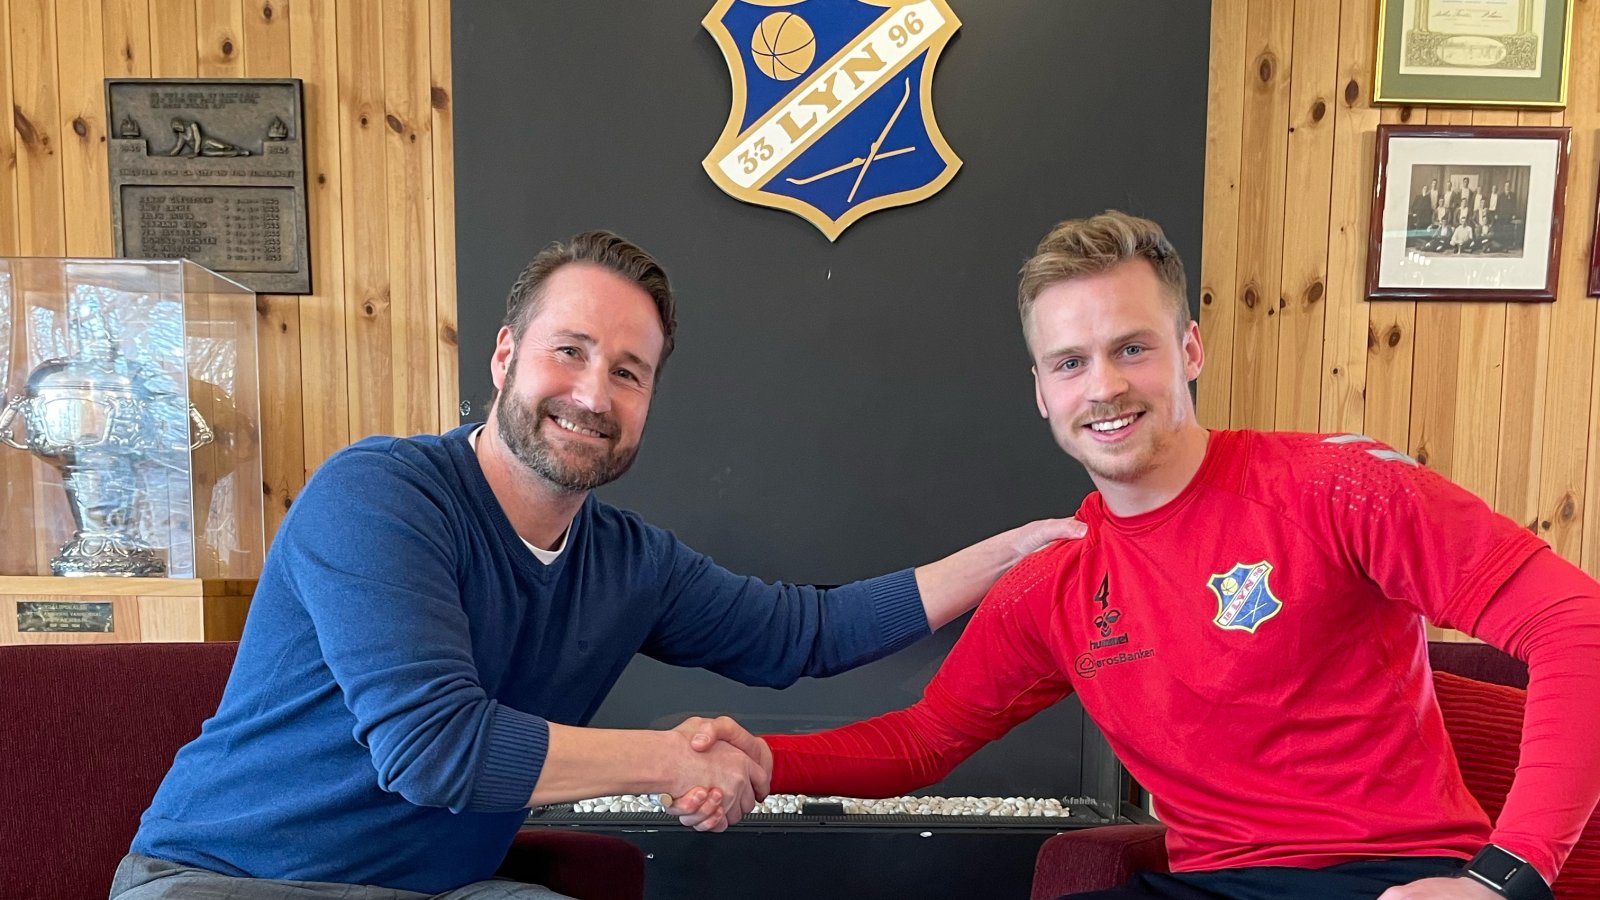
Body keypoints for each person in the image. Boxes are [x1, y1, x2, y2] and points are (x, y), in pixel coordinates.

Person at [108, 231, 1082, 899]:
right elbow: (434, 750)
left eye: (627, 371)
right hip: (226, 882)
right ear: (504, 357)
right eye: (567, 352)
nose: (591, 392)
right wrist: (671, 760)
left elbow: (806, 633)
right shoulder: (381, 496)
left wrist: (1014, 553)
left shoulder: (627, 561)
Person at [679, 211, 1600, 899]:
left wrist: (1506, 876)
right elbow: (924, 741)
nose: (1105, 386)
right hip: (1210, 885)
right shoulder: (1055, 579)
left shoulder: (1335, 486)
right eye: (1070, 362)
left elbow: (1577, 624)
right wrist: (765, 759)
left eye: (1132, 349)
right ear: (1041, 392)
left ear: (1189, 349)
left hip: (1387, 876)